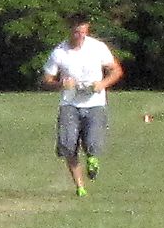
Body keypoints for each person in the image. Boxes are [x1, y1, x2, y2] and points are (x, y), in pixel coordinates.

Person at [40, 13, 124, 197]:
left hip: (95, 103)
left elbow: (116, 70)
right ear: (70, 29)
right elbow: (46, 79)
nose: (80, 34)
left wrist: (102, 84)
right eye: (76, 30)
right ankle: (80, 186)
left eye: (83, 30)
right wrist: (60, 84)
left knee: (93, 142)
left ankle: (92, 160)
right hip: (69, 104)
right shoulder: (60, 52)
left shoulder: (97, 48)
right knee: (68, 145)